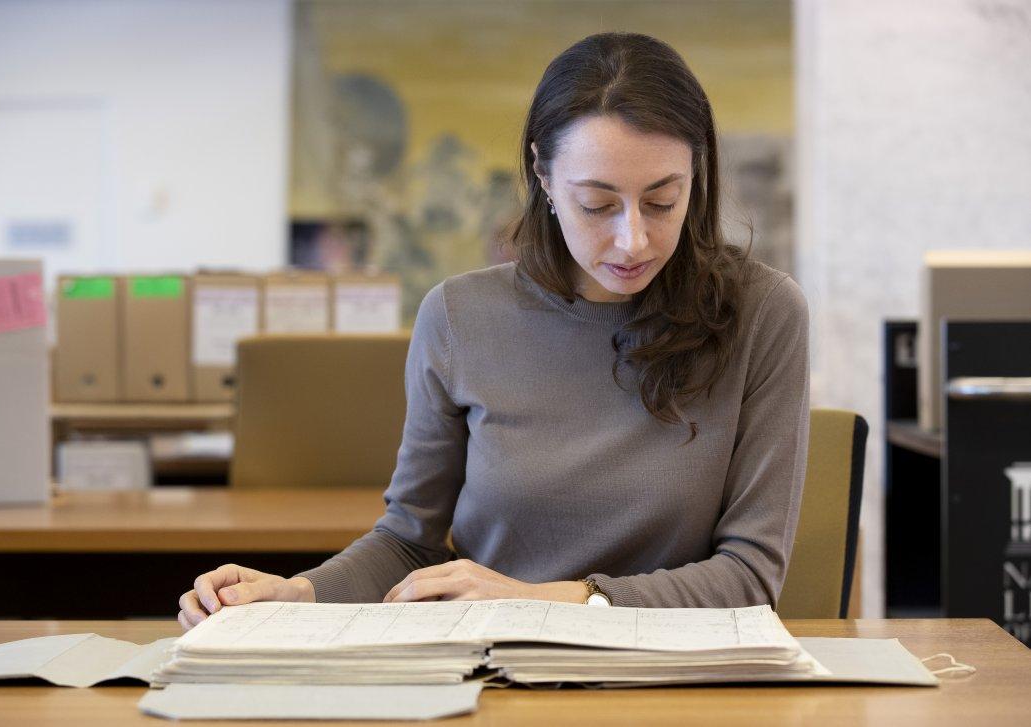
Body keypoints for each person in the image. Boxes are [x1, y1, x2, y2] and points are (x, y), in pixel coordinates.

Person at [178, 31, 809, 631]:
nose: (633, 238)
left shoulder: (764, 312)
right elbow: (408, 542)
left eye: (663, 201)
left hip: (681, 679)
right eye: (597, 205)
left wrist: (538, 601)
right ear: (542, 176)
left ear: (697, 177)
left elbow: (750, 579)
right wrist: (300, 593)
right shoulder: (458, 316)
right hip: (490, 672)